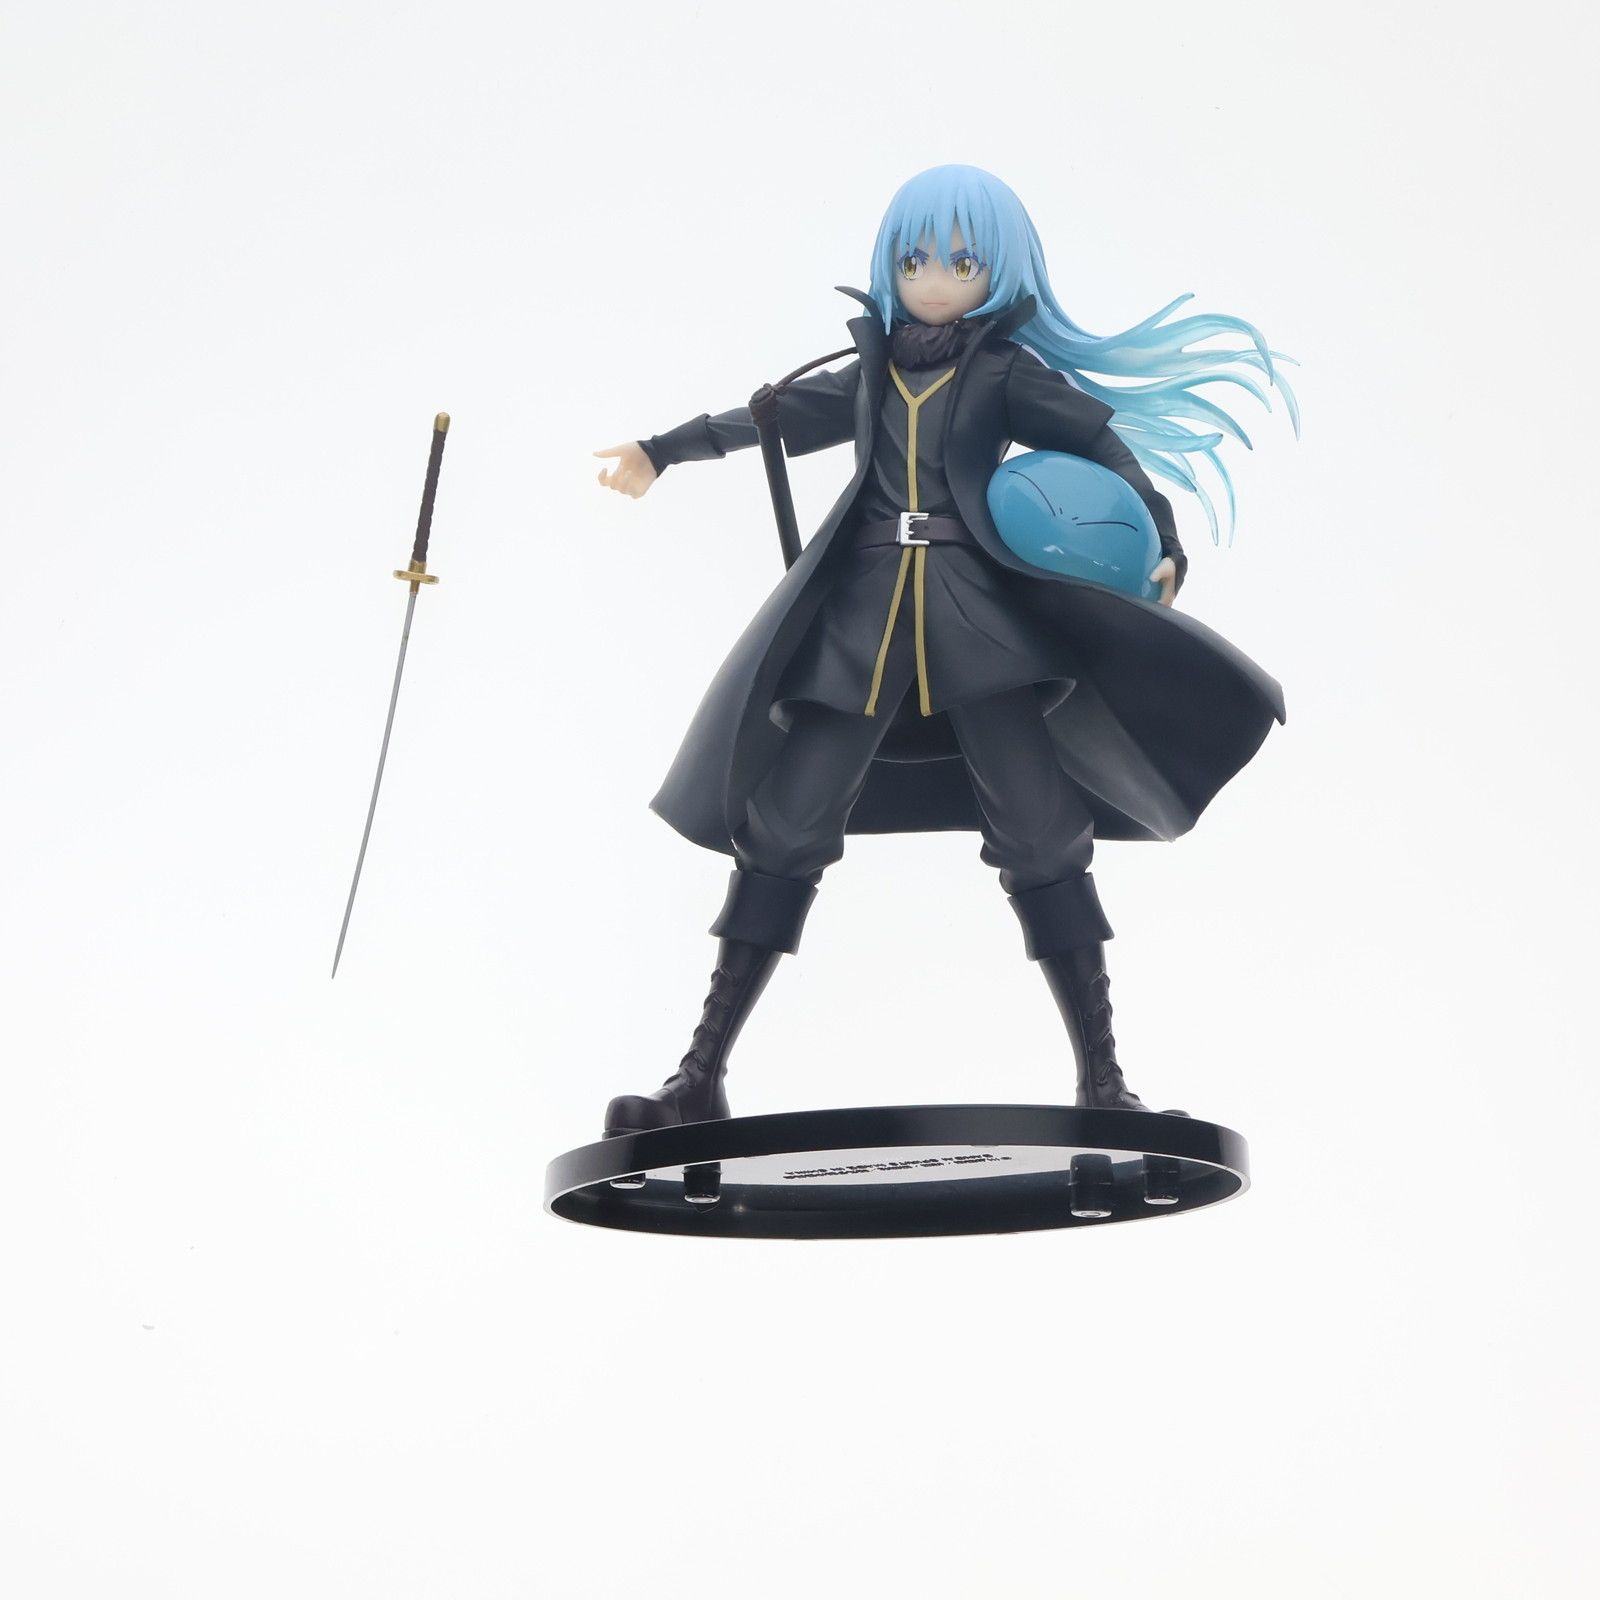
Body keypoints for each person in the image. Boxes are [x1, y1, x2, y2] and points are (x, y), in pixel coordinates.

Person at [592, 165, 1293, 1137]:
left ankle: (1102, 1081)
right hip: (861, 626)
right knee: (784, 826)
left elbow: (1107, 453)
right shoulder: (871, 373)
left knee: (1043, 834)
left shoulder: (1004, 374)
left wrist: (1162, 542)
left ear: (998, 272)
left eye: (962, 263)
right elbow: (769, 421)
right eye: (915, 259)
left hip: (979, 627)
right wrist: (660, 450)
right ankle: (698, 1076)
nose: (933, 279)